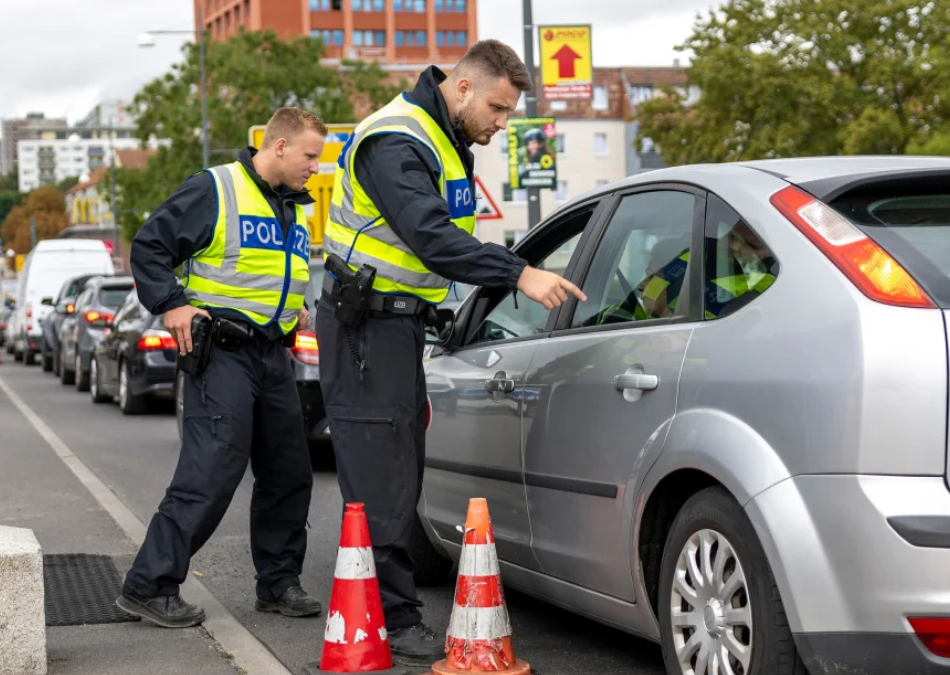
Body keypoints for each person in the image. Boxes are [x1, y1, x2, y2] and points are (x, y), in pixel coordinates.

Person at [315, 39, 586, 664]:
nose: (502, 122)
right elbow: (431, 236)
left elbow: (430, 252)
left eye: (509, 112)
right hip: (365, 330)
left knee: (399, 468)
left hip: (399, 327)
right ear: (461, 88)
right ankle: (388, 618)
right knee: (380, 478)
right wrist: (518, 274)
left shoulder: (445, 139)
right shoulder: (396, 139)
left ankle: (385, 609)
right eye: (497, 107)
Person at [116, 108, 327, 628]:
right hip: (222, 355)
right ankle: (149, 585)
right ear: (279, 146)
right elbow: (149, 247)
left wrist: (290, 304)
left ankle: (278, 584)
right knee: (210, 472)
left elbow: (271, 271)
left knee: (289, 473)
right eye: (310, 156)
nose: (315, 168)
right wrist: (171, 303)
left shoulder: (292, 207)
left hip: (272, 352)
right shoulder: (217, 188)